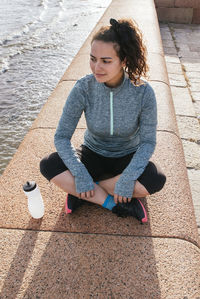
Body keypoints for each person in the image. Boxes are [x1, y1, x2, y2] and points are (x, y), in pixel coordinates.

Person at [40, 18, 166, 224]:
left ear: (124, 60)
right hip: (92, 155)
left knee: (156, 178)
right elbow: (62, 137)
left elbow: (148, 142)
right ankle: (113, 203)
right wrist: (80, 173)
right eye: (93, 58)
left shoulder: (143, 92)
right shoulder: (83, 87)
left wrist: (127, 178)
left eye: (106, 61)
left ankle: (84, 193)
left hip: (127, 157)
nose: (96, 67)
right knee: (49, 164)